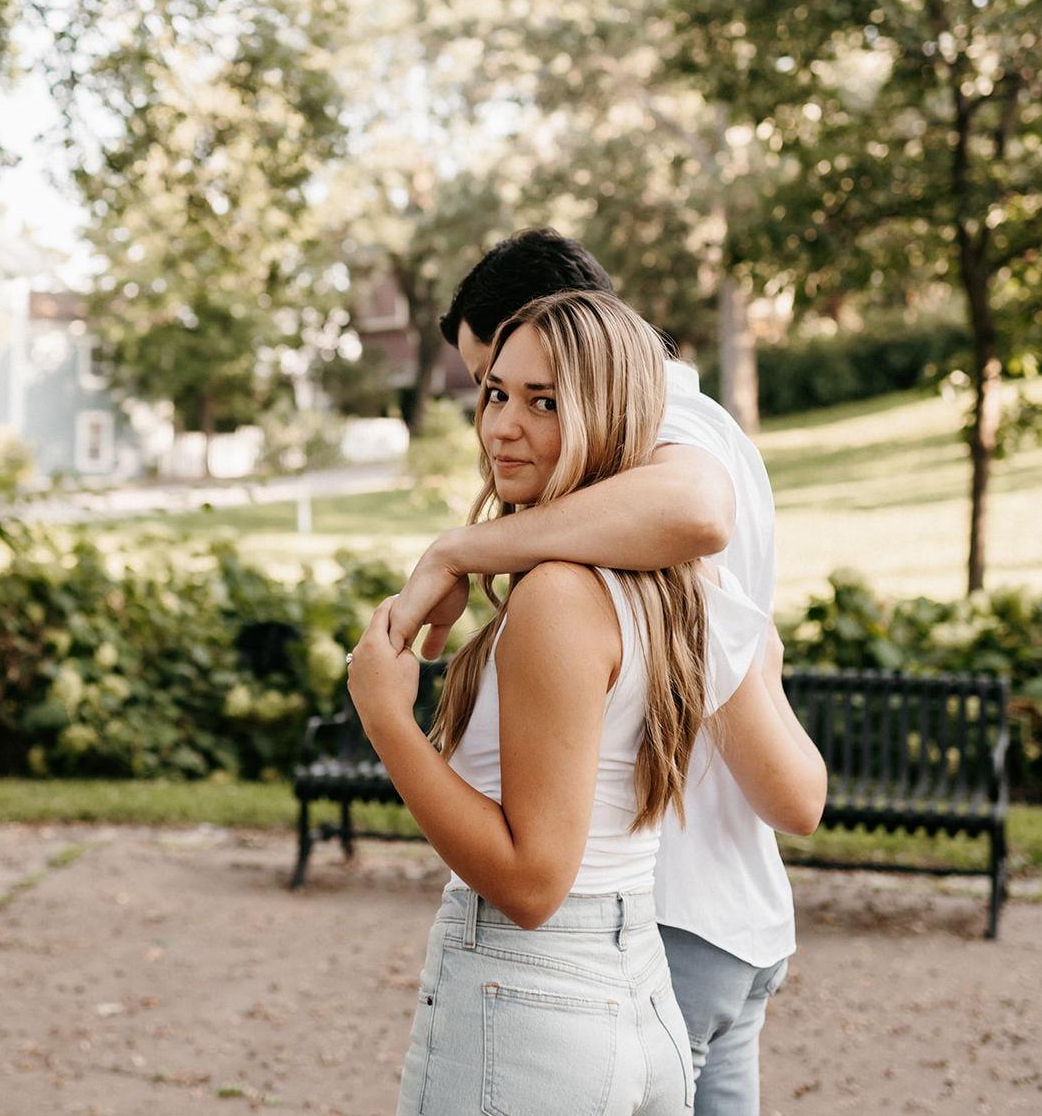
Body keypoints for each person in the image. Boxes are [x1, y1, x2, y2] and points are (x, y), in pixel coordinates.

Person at [347, 290, 825, 1115]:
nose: (502, 427)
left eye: (544, 403)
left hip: (530, 1008)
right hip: (635, 994)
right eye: (496, 393)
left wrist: (387, 721)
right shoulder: (677, 586)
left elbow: (533, 882)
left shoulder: (559, 597)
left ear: (611, 418)